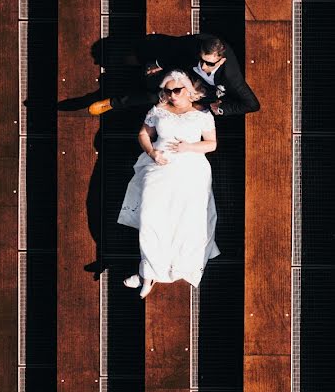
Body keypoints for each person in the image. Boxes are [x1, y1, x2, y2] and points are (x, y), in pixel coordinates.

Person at [117, 70, 221, 297]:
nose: (172, 95)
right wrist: (153, 152)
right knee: (150, 217)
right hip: (159, 168)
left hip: (191, 171)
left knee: (184, 222)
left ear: (188, 90)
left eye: (177, 90)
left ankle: (162, 271)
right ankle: (149, 271)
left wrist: (189, 147)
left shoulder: (202, 114)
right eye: (168, 91)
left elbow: (211, 144)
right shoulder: (158, 111)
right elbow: (143, 134)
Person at [88, 33, 260, 117]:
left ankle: (113, 103)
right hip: (183, 69)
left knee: (159, 97)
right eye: (202, 60)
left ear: (221, 61)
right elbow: (175, 47)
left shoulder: (232, 78)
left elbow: (252, 104)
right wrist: (159, 64)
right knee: (152, 61)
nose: (203, 65)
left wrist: (222, 108)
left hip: (204, 90)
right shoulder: (194, 45)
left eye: (209, 63)